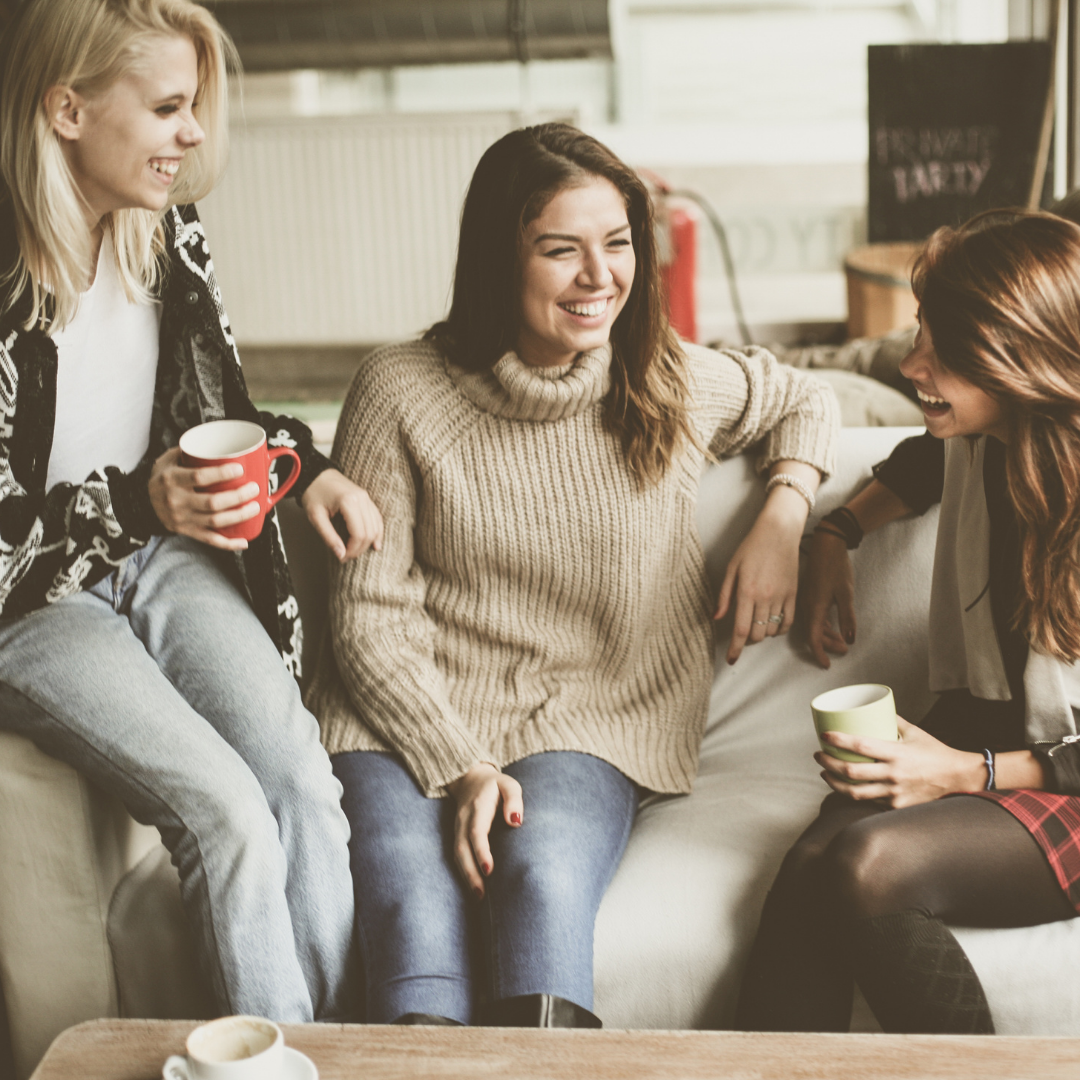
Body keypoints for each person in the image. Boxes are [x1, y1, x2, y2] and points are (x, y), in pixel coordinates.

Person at [306, 122, 839, 1028]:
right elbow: (369, 617)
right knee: (410, 905)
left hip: (591, 711)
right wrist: (462, 765)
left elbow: (804, 396)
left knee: (541, 871)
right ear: (496, 260)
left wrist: (788, 512)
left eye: (619, 243)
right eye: (562, 249)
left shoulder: (665, 379)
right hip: (400, 710)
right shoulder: (397, 388)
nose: (601, 278)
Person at [0, 0, 383, 1021]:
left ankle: (340, 1055)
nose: (195, 133)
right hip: (34, 608)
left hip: (159, 557)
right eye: (170, 106)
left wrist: (312, 466)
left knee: (301, 781)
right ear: (67, 109)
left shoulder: (166, 234)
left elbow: (219, 411)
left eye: (195, 106)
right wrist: (139, 499)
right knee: (225, 816)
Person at [737, 209, 1080, 1035]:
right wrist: (834, 533)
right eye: (919, 331)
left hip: (1052, 774)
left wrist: (968, 774)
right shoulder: (987, 434)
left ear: (1019, 358)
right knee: (810, 865)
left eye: (942, 349)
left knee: (863, 863)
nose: (911, 362)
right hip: (987, 732)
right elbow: (921, 463)